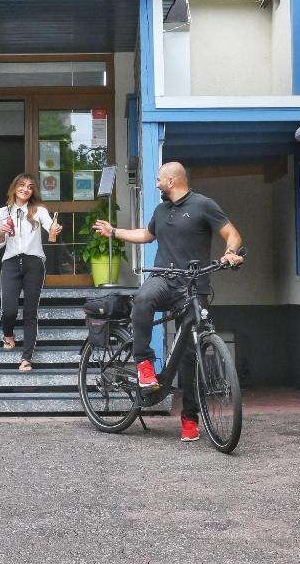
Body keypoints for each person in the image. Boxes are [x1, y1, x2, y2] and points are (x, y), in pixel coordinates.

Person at [93, 161, 243, 442]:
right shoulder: (161, 210)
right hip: (164, 279)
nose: (157, 183)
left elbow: (231, 235)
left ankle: (189, 420)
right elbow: (146, 235)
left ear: (172, 181)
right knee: (144, 298)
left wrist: (230, 253)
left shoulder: (204, 205)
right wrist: (114, 232)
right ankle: (144, 365)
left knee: (189, 356)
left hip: (194, 286)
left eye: (159, 179)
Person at [0, 173, 62, 372]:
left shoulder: (38, 210)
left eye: (30, 187)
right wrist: (3, 231)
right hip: (11, 263)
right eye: (22, 185)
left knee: (30, 311)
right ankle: (8, 335)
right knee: (9, 310)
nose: (25, 189)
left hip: (34, 263)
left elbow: (50, 227)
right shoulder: (2, 212)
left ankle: (26, 358)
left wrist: (54, 229)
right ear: (14, 187)